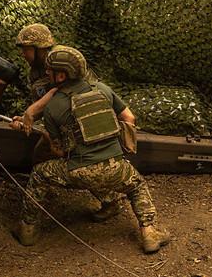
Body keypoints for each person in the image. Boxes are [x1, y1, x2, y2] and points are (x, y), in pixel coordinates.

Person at [12, 45, 171, 253]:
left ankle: (27, 230)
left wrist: (42, 132)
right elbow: (129, 118)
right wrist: (119, 148)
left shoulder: (52, 108)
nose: (47, 72)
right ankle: (149, 233)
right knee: (137, 185)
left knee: (40, 175)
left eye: (51, 70)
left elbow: (58, 151)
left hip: (78, 171)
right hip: (116, 167)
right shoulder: (103, 89)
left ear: (61, 75)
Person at [11, 23, 123, 221]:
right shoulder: (38, 70)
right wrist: (26, 118)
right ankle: (45, 188)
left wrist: (33, 112)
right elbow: (42, 104)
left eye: (25, 50)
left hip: (84, 126)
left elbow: (72, 93)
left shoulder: (65, 63)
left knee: (83, 164)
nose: (22, 55)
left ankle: (110, 200)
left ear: (40, 49)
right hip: (60, 123)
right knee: (41, 156)